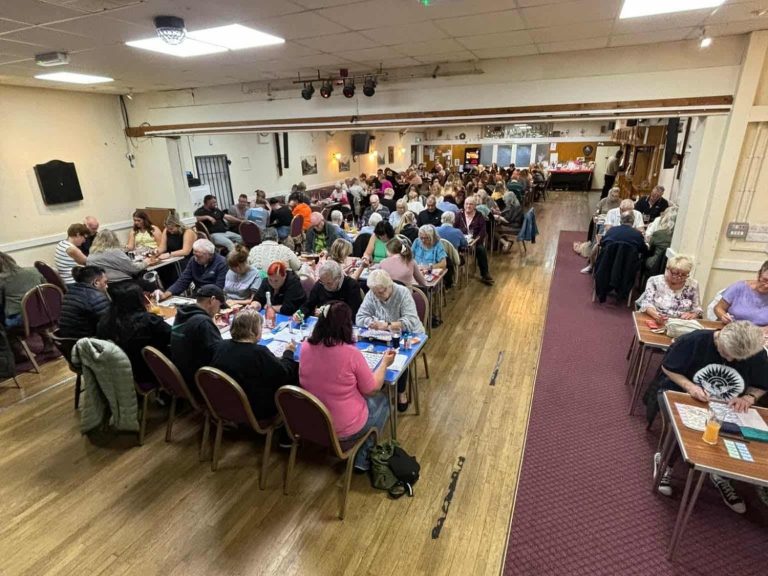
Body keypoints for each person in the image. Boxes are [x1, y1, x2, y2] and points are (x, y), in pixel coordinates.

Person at [653, 321, 767, 512]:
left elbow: (762, 384)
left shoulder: (757, 353)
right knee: (685, 429)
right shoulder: (694, 341)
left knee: (740, 436)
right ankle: (665, 461)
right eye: (726, 354)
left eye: (736, 358)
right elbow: (668, 367)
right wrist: (690, 386)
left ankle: (721, 475)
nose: (730, 359)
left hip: (728, 404)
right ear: (721, 336)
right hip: (683, 394)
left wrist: (749, 397)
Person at [299, 301, 395, 471]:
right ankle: (362, 458)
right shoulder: (351, 353)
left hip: (313, 421)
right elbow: (371, 389)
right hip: (343, 427)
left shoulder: (306, 346)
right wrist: (384, 364)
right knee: (383, 401)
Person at [211, 308, 298, 421]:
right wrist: (289, 352)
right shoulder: (259, 352)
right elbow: (285, 374)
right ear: (253, 330)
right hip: (255, 409)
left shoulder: (221, 345)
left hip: (225, 403)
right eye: (260, 327)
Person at [356, 269, 424, 411]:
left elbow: (410, 321)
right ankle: (377, 383)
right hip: (384, 336)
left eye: (380, 292)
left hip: (410, 335)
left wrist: (387, 325)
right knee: (368, 354)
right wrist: (371, 323)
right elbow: (360, 317)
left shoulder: (402, 293)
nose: (377, 296)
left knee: (399, 357)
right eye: (375, 293)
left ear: (389, 286)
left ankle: (401, 393)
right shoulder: (373, 293)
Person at [96, 282, 171, 383]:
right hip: (152, 372)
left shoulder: (104, 322)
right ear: (138, 300)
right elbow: (172, 336)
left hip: (123, 372)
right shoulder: (148, 321)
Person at [170, 285, 225, 389]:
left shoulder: (183, 313)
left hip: (181, 377)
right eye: (220, 306)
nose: (218, 311)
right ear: (212, 300)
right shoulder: (203, 322)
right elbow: (220, 354)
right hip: (198, 383)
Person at [636, 255, 702, 321]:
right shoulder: (654, 281)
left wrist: (693, 314)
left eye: (684, 274)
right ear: (667, 269)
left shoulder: (693, 285)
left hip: (681, 321)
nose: (679, 277)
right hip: (655, 319)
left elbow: (697, 309)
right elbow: (647, 303)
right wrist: (655, 314)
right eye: (675, 273)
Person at [160, 239, 227, 299]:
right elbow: (183, 281)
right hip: (198, 295)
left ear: (210, 255)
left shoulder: (222, 263)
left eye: (198, 256)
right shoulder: (193, 260)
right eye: (194, 254)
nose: (195, 258)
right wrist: (166, 294)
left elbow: (219, 288)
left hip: (212, 298)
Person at [296, 260, 362, 318]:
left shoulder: (352, 286)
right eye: (323, 282)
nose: (325, 286)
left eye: (329, 283)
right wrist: (301, 314)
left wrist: (328, 313)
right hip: (323, 323)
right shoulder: (320, 284)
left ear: (338, 278)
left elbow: (353, 314)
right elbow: (309, 305)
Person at [58, 265, 110, 339]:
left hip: (67, 340)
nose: (107, 286)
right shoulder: (96, 297)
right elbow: (108, 325)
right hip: (88, 341)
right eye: (105, 282)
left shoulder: (69, 293)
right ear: (96, 282)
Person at [714, 260, 768, 327]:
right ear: (759, 275)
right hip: (733, 328)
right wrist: (723, 316)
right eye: (765, 280)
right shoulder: (740, 287)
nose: (766, 285)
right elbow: (718, 308)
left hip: (760, 332)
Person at [0, 252, 45, 328]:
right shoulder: (33, 270)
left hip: (19, 319)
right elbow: (46, 289)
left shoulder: (2, 280)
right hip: (43, 312)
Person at [455, 196, 494, 286]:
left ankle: (485, 274)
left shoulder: (479, 216)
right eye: (466, 204)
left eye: (471, 204)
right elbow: (454, 228)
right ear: (464, 205)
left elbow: (483, 232)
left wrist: (475, 241)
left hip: (475, 242)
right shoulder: (459, 215)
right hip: (461, 242)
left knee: (481, 250)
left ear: (475, 206)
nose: (468, 206)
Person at [645, 209, 677, 273]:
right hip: (673, 266)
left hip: (655, 264)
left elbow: (650, 248)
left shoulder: (659, 233)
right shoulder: (678, 237)